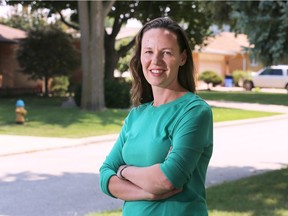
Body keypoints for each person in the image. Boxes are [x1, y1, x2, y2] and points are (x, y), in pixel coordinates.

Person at [100, 17, 213, 216]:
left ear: (183, 58)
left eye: (166, 53)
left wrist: (124, 171)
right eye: (149, 52)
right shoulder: (136, 115)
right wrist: (148, 193)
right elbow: (105, 176)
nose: (155, 61)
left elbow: (167, 179)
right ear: (140, 57)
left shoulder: (194, 111)